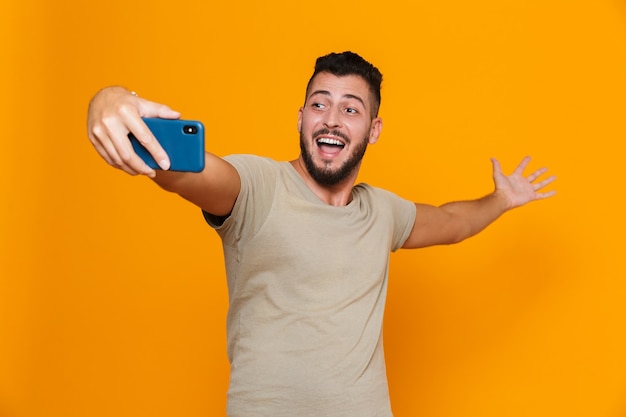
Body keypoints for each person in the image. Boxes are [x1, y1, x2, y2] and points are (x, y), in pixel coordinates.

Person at [87, 51, 556, 417]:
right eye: (319, 104)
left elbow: (452, 223)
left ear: (373, 131)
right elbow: (182, 170)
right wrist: (110, 102)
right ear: (301, 118)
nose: (331, 119)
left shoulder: (382, 212)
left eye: (350, 109)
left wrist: (501, 200)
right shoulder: (257, 186)